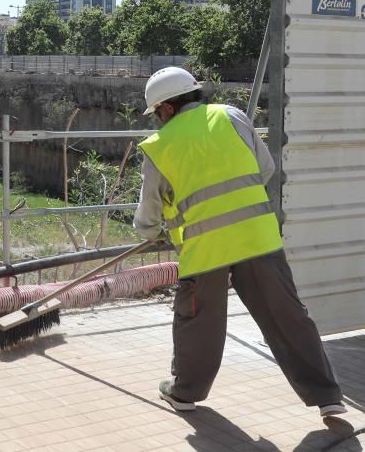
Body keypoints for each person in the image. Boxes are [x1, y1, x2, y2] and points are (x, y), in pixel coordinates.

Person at [133, 67, 344, 417]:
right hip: (258, 238)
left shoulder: (160, 145)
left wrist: (150, 232)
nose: (158, 120)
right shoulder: (232, 116)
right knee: (288, 317)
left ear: (167, 107)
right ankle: (327, 396)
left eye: (157, 112)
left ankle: (184, 393)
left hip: (206, 249)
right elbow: (264, 169)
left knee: (199, 322)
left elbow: (149, 210)